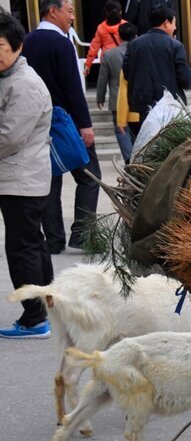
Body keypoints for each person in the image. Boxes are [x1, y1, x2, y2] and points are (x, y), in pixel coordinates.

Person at [22, 0, 102, 253]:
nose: (72, 18)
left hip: (36, 123)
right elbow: (72, 88)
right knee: (90, 177)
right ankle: (81, 235)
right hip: (65, 123)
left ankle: (54, 240)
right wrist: (85, 125)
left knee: (51, 180)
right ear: (52, 11)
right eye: (68, 11)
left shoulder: (27, 41)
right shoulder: (61, 42)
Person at [0, 10, 54, 339]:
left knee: (22, 250)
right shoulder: (10, 78)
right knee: (32, 245)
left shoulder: (26, 85)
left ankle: (35, 317)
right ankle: (47, 307)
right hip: (20, 179)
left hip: (22, 181)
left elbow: (8, 137)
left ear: (17, 45)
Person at [122, 2, 191, 137]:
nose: (175, 27)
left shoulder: (134, 44)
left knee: (146, 148)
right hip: (171, 108)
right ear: (166, 23)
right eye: (174, 23)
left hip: (142, 108)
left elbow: (126, 74)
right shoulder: (175, 45)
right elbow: (186, 80)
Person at [97, 21, 136, 163]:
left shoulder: (109, 54)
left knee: (121, 130)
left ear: (119, 37)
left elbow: (102, 79)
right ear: (135, 36)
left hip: (116, 99)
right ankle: (138, 157)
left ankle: (129, 159)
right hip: (137, 98)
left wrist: (100, 97)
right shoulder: (140, 52)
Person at [83, 0, 125, 77]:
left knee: (111, 84)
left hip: (107, 60)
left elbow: (94, 47)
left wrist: (88, 64)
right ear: (120, 12)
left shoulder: (101, 27)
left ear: (106, 12)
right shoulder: (125, 25)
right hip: (123, 59)